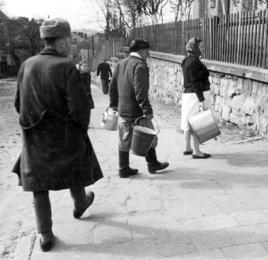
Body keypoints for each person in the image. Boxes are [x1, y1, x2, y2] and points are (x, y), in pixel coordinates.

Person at [12, 18, 103, 252]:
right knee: (77, 160)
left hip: (34, 137)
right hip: (63, 136)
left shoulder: (26, 65)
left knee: (38, 184)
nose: (71, 46)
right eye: (70, 41)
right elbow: (79, 109)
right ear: (62, 42)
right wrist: (80, 130)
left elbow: (18, 104)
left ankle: (44, 234)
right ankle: (80, 202)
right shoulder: (65, 66)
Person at [109, 38, 169, 178]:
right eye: (147, 51)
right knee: (149, 135)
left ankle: (123, 168)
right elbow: (140, 92)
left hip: (123, 109)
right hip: (137, 110)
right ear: (141, 51)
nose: (148, 54)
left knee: (124, 138)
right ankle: (152, 163)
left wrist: (113, 105)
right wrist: (147, 111)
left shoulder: (121, 63)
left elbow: (112, 87)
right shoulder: (140, 66)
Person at [180, 37, 211, 159]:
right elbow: (196, 82)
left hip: (188, 95)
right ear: (194, 48)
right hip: (195, 96)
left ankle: (188, 148)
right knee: (197, 123)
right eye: (200, 47)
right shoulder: (194, 62)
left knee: (188, 122)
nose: (202, 49)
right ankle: (196, 151)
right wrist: (201, 99)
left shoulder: (186, 60)